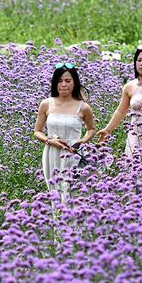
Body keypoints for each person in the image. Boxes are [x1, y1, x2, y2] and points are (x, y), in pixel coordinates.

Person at [33, 62, 96, 200]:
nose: (63, 85)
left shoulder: (83, 107)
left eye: (68, 81)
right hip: (52, 153)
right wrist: (50, 141)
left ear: (75, 83)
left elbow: (91, 129)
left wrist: (82, 141)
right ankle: (58, 220)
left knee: (72, 191)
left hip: (73, 152)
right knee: (55, 192)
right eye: (60, 81)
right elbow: (37, 131)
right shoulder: (46, 104)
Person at [96, 45, 142, 157]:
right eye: (139, 60)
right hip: (135, 132)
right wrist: (107, 130)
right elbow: (120, 112)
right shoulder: (129, 86)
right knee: (133, 163)